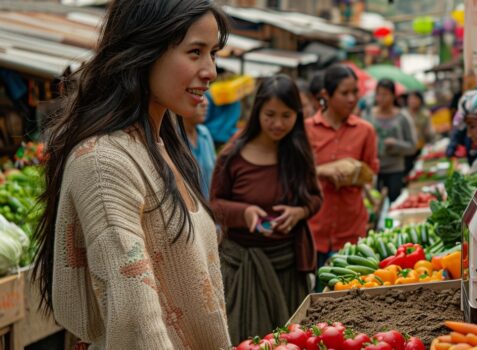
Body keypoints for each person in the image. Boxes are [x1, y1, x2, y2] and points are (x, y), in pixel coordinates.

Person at [32, 1, 231, 348]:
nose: (211, 70)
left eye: (212, 53)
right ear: (145, 51)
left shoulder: (162, 146)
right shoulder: (104, 163)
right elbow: (136, 322)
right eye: (195, 52)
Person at [210, 75, 322, 341]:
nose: (278, 124)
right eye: (269, 114)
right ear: (257, 111)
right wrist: (244, 213)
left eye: (286, 115)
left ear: (297, 115)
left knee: (290, 340)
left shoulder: (298, 152)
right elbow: (213, 205)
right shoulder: (233, 154)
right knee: (245, 340)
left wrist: (299, 212)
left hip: (287, 267)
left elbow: (315, 198)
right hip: (241, 269)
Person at [305, 64, 379, 269]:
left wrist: (352, 171)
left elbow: (370, 175)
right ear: (326, 95)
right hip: (314, 230)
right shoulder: (307, 130)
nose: (352, 98)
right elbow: (293, 174)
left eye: (355, 92)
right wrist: (323, 171)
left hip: (351, 230)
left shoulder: (365, 131)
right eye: (344, 93)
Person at [363, 79, 416, 202]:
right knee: (375, 205)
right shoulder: (368, 116)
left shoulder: (402, 117)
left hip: (395, 169)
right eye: (378, 94)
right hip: (373, 171)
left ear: (393, 96)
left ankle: (390, 222)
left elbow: (412, 146)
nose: (381, 98)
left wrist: (396, 144)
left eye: (385, 94)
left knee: (394, 202)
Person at [183, 98, 216, 198]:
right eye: (198, 96)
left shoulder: (204, 133)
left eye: (205, 96)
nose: (205, 103)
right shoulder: (173, 139)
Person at [403, 90, 435, 173]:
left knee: (420, 171)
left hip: (421, 147)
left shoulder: (425, 114)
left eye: (415, 98)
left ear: (420, 100)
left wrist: (429, 134)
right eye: (411, 99)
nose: (413, 101)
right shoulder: (403, 114)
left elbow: (430, 132)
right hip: (407, 149)